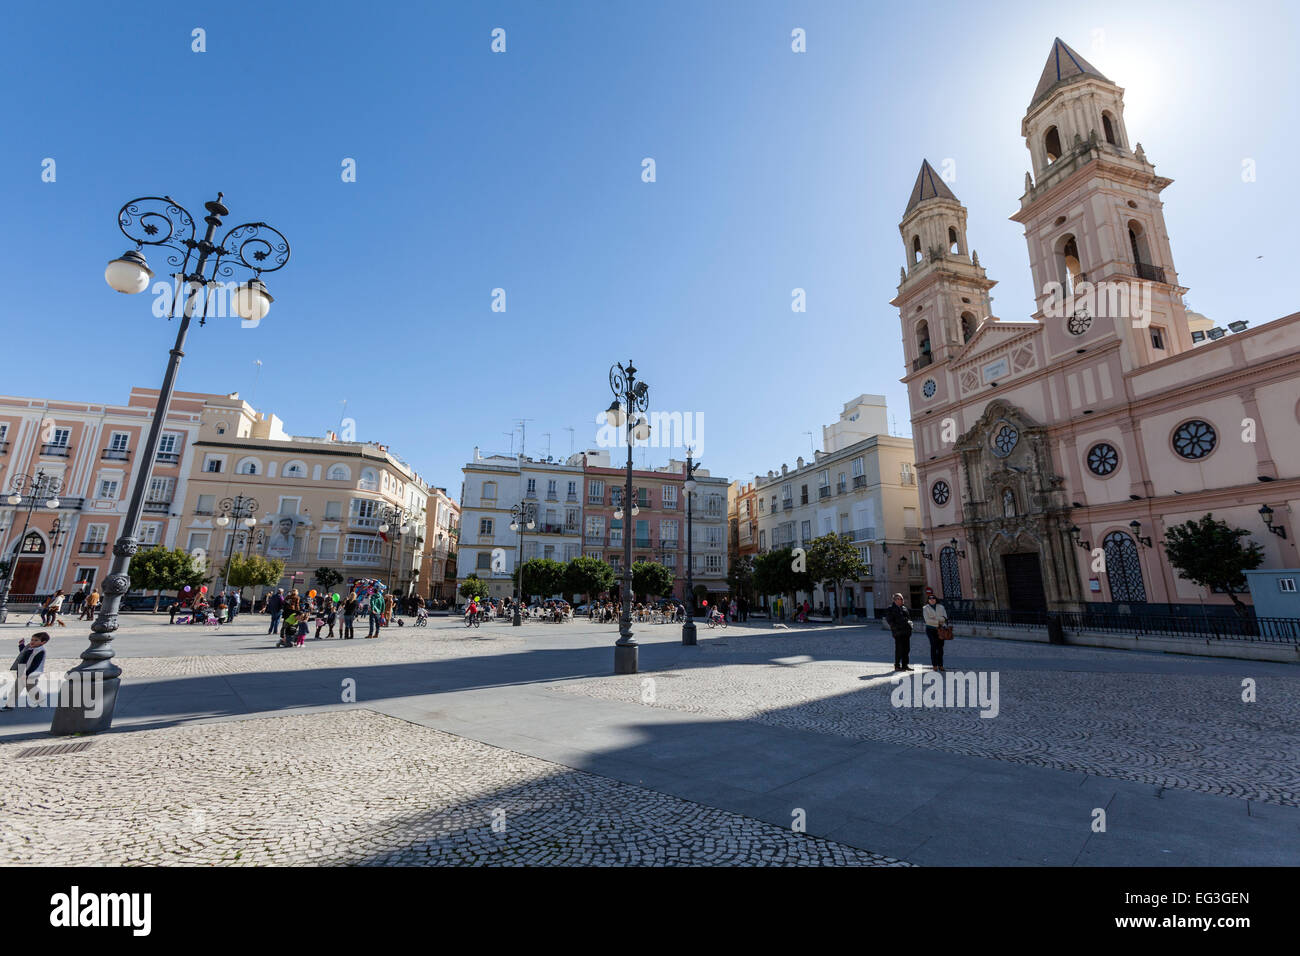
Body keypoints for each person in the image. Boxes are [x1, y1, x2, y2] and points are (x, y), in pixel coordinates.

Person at [3, 631, 50, 710]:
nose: (32, 641)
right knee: (15, 689)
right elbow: (23, 653)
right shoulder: (30, 648)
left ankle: (39, 699)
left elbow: (35, 664)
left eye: (36, 640)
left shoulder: (41, 651)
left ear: (43, 642)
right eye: (32, 639)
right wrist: (21, 645)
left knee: (31, 688)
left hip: (32, 673)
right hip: (22, 671)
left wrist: (27, 674)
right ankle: (9, 705)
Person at [885, 592, 914, 672]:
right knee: (899, 649)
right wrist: (896, 628)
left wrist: (910, 626)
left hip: (906, 632)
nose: (899, 600)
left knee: (906, 649)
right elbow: (890, 621)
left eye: (901, 598)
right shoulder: (890, 608)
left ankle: (905, 665)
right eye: (897, 598)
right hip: (898, 632)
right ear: (894, 600)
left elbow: (909, 619)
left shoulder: (904, 608)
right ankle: (897, 665)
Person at [922, 594, 949, 672]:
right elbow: (927, 620)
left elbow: (944, 618)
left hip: (941, 630)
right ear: (928, 600)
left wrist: (934, 619)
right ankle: (934, 665)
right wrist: (938, 620)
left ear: (936, 599)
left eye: (933, 598)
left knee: (940, 648)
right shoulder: (925, 608)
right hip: (930, 630)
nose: (932, 600)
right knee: (933, 646)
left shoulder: (941, 607)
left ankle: (941, 665)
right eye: (930, 599)